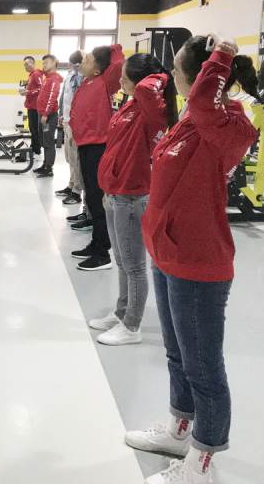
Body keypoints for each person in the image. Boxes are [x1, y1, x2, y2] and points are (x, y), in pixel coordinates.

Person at [128, 36, 257, 484]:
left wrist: (220, 58)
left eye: (178, 69)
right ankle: (179, 432)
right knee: (177, 355)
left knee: (204, 369)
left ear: (198, 77)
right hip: (168, 255)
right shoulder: (190, 120)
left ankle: (200, 463)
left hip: (199, 264)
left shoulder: (229, 125)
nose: (172, 76)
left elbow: (205, 102)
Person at [88, 53, 178, 346]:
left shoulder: (152, 109)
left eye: (126, 77)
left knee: (135, 265)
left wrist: (162, 75)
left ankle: (131, 326)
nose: (121, 82)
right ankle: (121, 312)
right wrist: (106, 190)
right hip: (115, 193)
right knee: (122, 261)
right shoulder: (132, 104)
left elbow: (147, 87)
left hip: (132, 195)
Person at [69, 44, 125, 271]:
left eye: (88, 59)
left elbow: (118, 64)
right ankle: (96, 243)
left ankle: (103, 253)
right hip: (84, 145)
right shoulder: (87, 81)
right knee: (91, 199)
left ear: (98, 70)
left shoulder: (104, 82)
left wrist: (113, 48)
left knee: (98, 199)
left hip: (97, 147)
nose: (83, 61)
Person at [55, 51, 85, 204]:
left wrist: (74, 121)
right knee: (69, 157)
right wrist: (61, 114)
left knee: (75, 157)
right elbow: (64, 97)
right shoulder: (69, 76)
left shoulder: (81, 77)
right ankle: (71, 184)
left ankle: (77, 191)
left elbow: (79, 101)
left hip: (75, 122)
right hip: (67, 120)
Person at [34, 54, 63, 177]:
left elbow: (52, 97)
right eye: (43, 63)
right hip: (43, 114)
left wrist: (45, 114)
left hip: (49, 116)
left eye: (46, 62)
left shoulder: (54, 79)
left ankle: (49, 168)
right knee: (45, 141)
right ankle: (45, 164)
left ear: (54, 62)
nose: (44, 65)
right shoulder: (48, 77)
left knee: (49, 142)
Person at [22, 56, 44, 155]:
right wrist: (26, 91)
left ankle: (36, 149)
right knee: (32, 128)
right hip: (31, 106)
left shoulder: (36, 74)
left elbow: (41, 88)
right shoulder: (31, 75)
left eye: (27, 64)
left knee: (34, 129)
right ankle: (34, 146)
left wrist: (28, 92)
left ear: (33, 63)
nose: (25, 66)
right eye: (24, 65)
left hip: (35, 107)